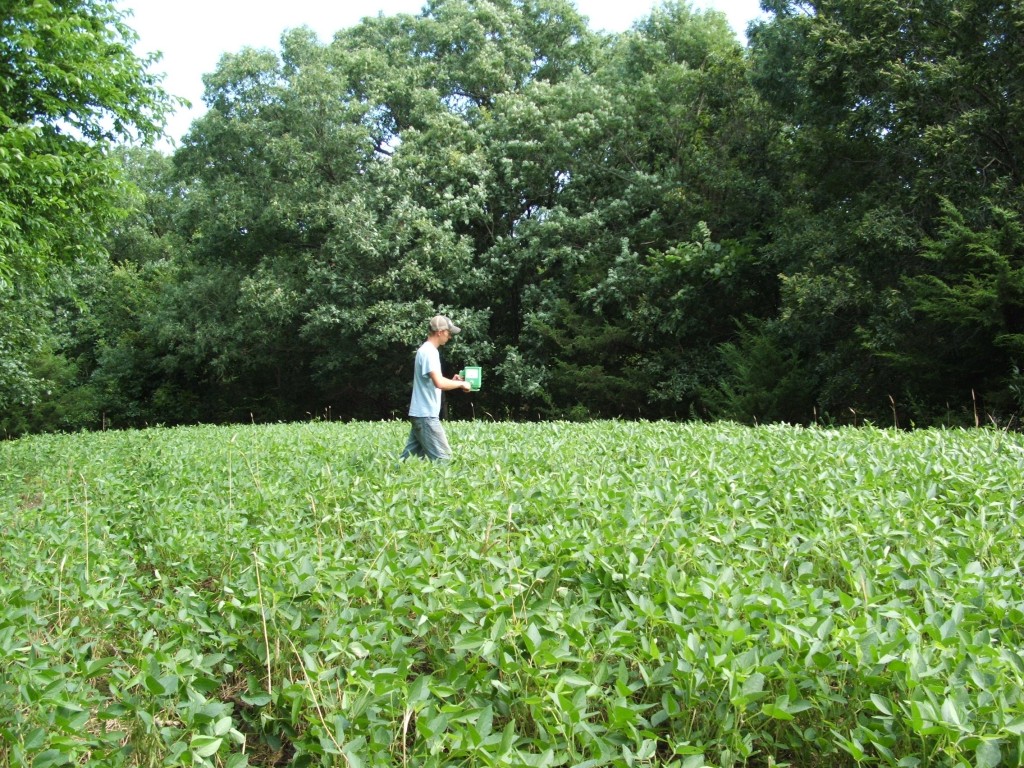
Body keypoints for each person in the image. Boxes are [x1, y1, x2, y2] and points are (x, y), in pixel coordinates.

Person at [400, 315, 472, 461]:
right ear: (440, 332)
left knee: (407, 462)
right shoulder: (429, 352)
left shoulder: (427, 350)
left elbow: (435, 383)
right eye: (448, 332)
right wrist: (462, 384)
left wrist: (452, 381)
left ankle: (391, 478)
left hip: (421, 414)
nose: (450, 336)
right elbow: (439, 383)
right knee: (444, 460)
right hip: (426, 416)